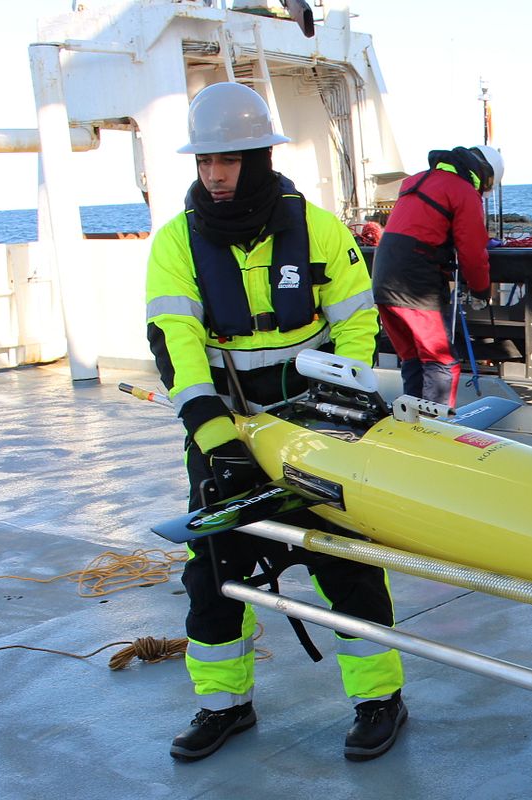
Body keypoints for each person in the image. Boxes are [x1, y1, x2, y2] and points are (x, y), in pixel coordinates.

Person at [145, 81, 407, 763]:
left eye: (226, 162)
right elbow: (173, 341)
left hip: (313, 422)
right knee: (211, 577)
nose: (215, 176)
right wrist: (213, 435)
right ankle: (223, 708)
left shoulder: (317, 229)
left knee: (347, 566)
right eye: (205, 163)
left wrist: (342, 407)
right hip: (225, 430)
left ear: (258, 158)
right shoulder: (176, 242)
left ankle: (380, 699)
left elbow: (356, 323)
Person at [372, 144, 503, 406]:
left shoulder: (420, 180)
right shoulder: (462, 190)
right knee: (440, 361)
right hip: (415, 283)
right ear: (484, 175)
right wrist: (480, 290)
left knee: (413, 357)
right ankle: (436, 431)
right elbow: (473, 253)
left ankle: (411, 426)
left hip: (383, 277)